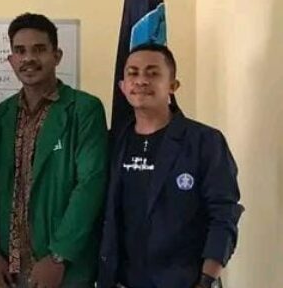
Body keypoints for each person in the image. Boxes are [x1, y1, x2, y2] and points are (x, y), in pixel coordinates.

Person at [0, 13, 108, 288]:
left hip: (63, 269)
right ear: (11, 59)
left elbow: (90, 186)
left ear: (56, 56)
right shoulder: (2, 115)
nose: (28, 58)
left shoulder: (84, 110)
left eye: (39, 49)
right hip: (11, 268)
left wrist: (59, 256)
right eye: (20, 51)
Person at [98, 44, 243, 288]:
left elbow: (224, 214)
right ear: (122, 86)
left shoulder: (205, 141)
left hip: (186, 280)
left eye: (153, 73)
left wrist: (207, 280)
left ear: (173, 85)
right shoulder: (112, 142)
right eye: (133, 73)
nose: (141, 80)